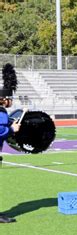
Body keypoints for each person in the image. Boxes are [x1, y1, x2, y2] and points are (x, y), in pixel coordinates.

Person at [0, 63, 21, 223]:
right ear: (4, 99)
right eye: (10, 98)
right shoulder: (1, 112)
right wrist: (12, 129)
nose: (11, 101)